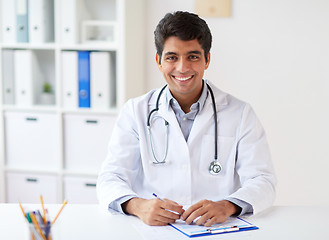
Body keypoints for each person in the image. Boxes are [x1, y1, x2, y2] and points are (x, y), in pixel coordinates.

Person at [97, 11, 276, 227]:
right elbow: (110, 178)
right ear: (159, 61)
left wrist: (227, 206)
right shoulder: (136, 112)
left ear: (207, 59)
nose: (182, 68)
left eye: (192, 56)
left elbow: (263, 181)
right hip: (154, 231)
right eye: (172, 57)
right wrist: (138, 206)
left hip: (216, 230)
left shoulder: (239, 113)